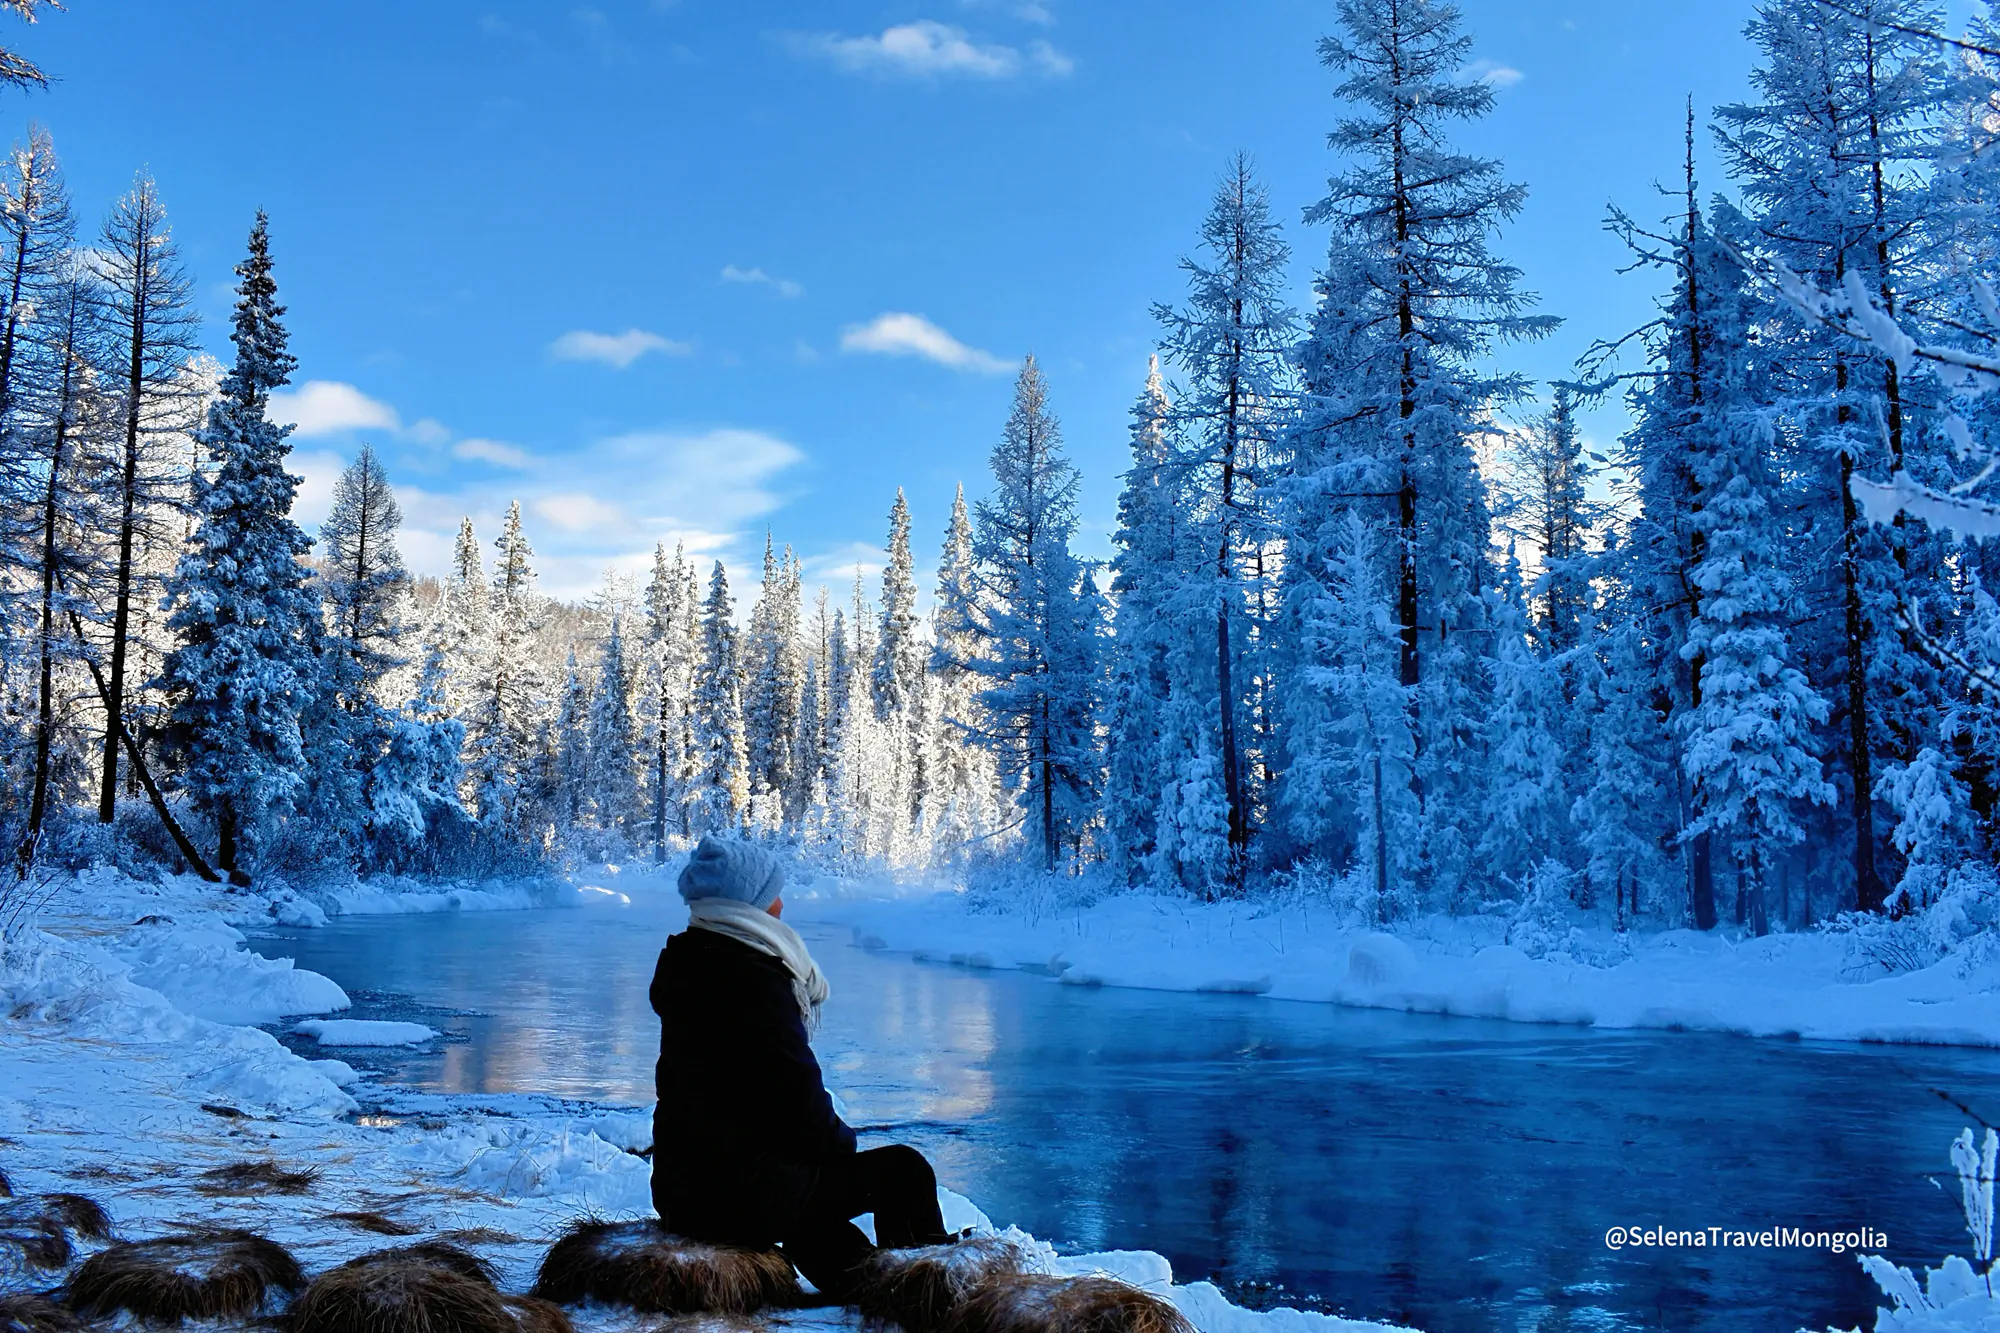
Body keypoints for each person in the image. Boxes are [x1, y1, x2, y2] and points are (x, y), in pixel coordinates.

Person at [650, 834, 952, 1299]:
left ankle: (868, 1285)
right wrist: (842, 1145)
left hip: (684, 1189)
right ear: (745, 904)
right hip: (737, 1195)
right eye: (772, 894)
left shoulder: (691, 960)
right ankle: (927, 1291)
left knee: (808, 1194)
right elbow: (795, 1097)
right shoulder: (751, 979)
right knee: (903, 1171)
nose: (781, 904)